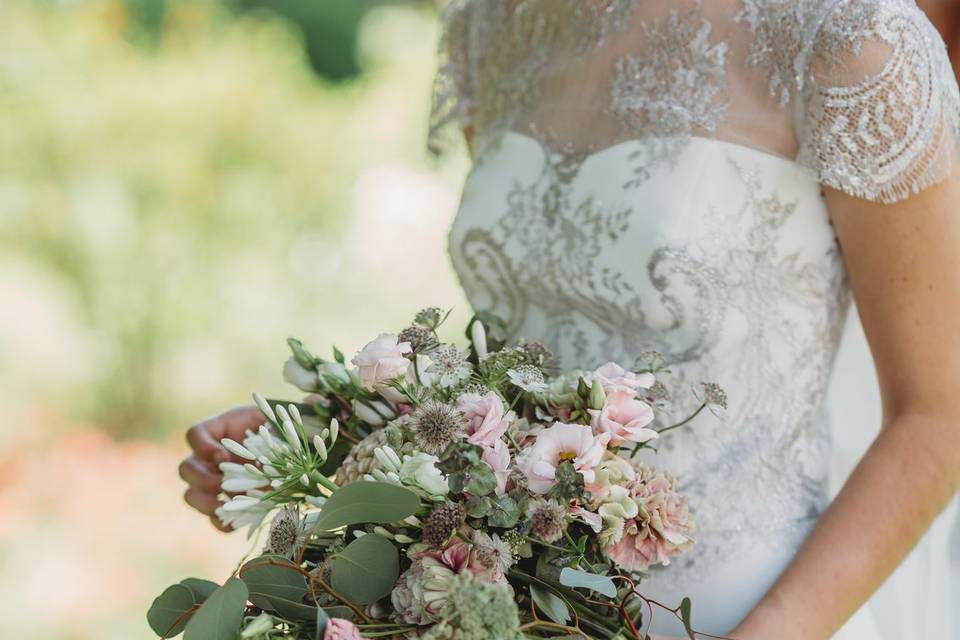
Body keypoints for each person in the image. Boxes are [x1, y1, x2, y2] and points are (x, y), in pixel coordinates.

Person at [179, 1, 960, 637]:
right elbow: (525, 353)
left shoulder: (851, 41)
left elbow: (939, 415)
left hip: (745, 612)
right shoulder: (491, 23)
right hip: (508, 612)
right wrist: (330, 436)